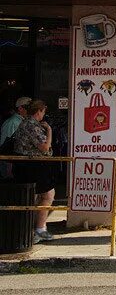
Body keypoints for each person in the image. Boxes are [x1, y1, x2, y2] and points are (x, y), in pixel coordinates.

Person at [12, 100, 56, 243]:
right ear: (38, 111)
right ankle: (39, 229)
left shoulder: (25, 124)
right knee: (47, 195)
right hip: (33, 165)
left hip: (29, 165)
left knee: (37, 196)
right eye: (43, 112)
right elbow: (44, 147)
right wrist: (49, 130)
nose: (44, 115)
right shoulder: (32, 125)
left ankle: (36, 228)